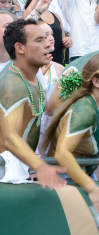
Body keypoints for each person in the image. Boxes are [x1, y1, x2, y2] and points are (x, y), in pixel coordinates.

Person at [41, 53, 99, 217]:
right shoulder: (85, 109)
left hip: (85, 173)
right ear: (96, 81)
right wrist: (91, 188)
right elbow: (62, 154)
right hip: (63, 179)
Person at [0, 19, 66, 189]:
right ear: (19, 48)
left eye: (46, 38)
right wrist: (40, 166)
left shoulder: (34, 76)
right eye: (39, 40)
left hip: (20, 169)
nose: (48, 45)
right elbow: (10, 138)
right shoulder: (12, 83)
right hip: (5, 173)